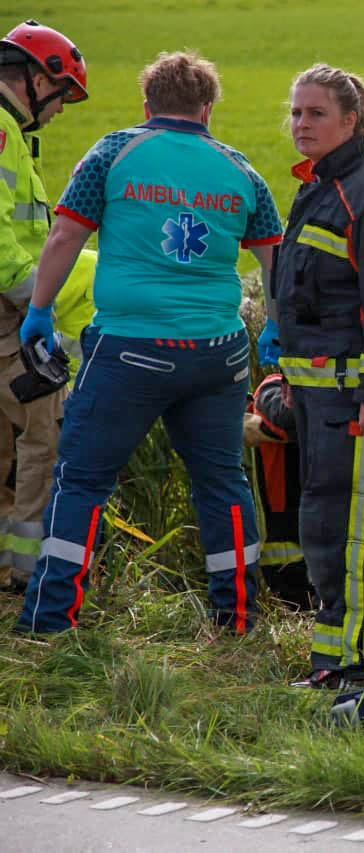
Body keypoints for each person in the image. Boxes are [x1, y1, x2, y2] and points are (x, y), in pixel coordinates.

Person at [16, 50, 282, 634]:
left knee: (82, 481)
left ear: (147, 105)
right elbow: (274, 264)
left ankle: (50, 622)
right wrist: (277, 331)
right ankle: (236, 620)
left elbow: (64, 236)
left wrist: (38, 312)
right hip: (218, 352)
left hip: (130, 350)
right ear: (208, 110)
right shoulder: (240, 169)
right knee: (222, 483)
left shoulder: (113, 152)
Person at [268, 64, 364, 687]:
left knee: (341, 523)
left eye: (316, 114)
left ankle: (345, 661)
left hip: (353, 394)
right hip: (318, 389)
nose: (301, 124)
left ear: (350, 121)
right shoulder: (323, 188)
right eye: (297, 112)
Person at [0, 20, 91, 591]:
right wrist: (36, 299)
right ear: (37, 79)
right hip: (10, 315)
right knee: (42, 437)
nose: (59, 111)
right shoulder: (2, 134)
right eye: (61, 97)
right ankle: (24, 583)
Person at [243, 372, 313, 610]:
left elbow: (290, 421)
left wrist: (262, 428)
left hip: (301, 535)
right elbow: (288, 419)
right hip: (285, 540)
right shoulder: (271, 390)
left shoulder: (272, 391)